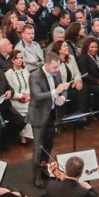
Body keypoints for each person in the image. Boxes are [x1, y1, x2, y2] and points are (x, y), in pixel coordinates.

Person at [29, 52, 74, 187]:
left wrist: (63, 98)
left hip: (52, 113)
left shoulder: (57, 73)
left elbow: (63, 89)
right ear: (46, 65)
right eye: (54, 67)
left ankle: (43, 168)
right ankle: (36, 175)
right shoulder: (34, 76)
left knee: (48, 145)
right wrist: (56, 92)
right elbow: (37, 96)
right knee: (38, 147)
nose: (57, 70)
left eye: (58, 67)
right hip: (38, 115)